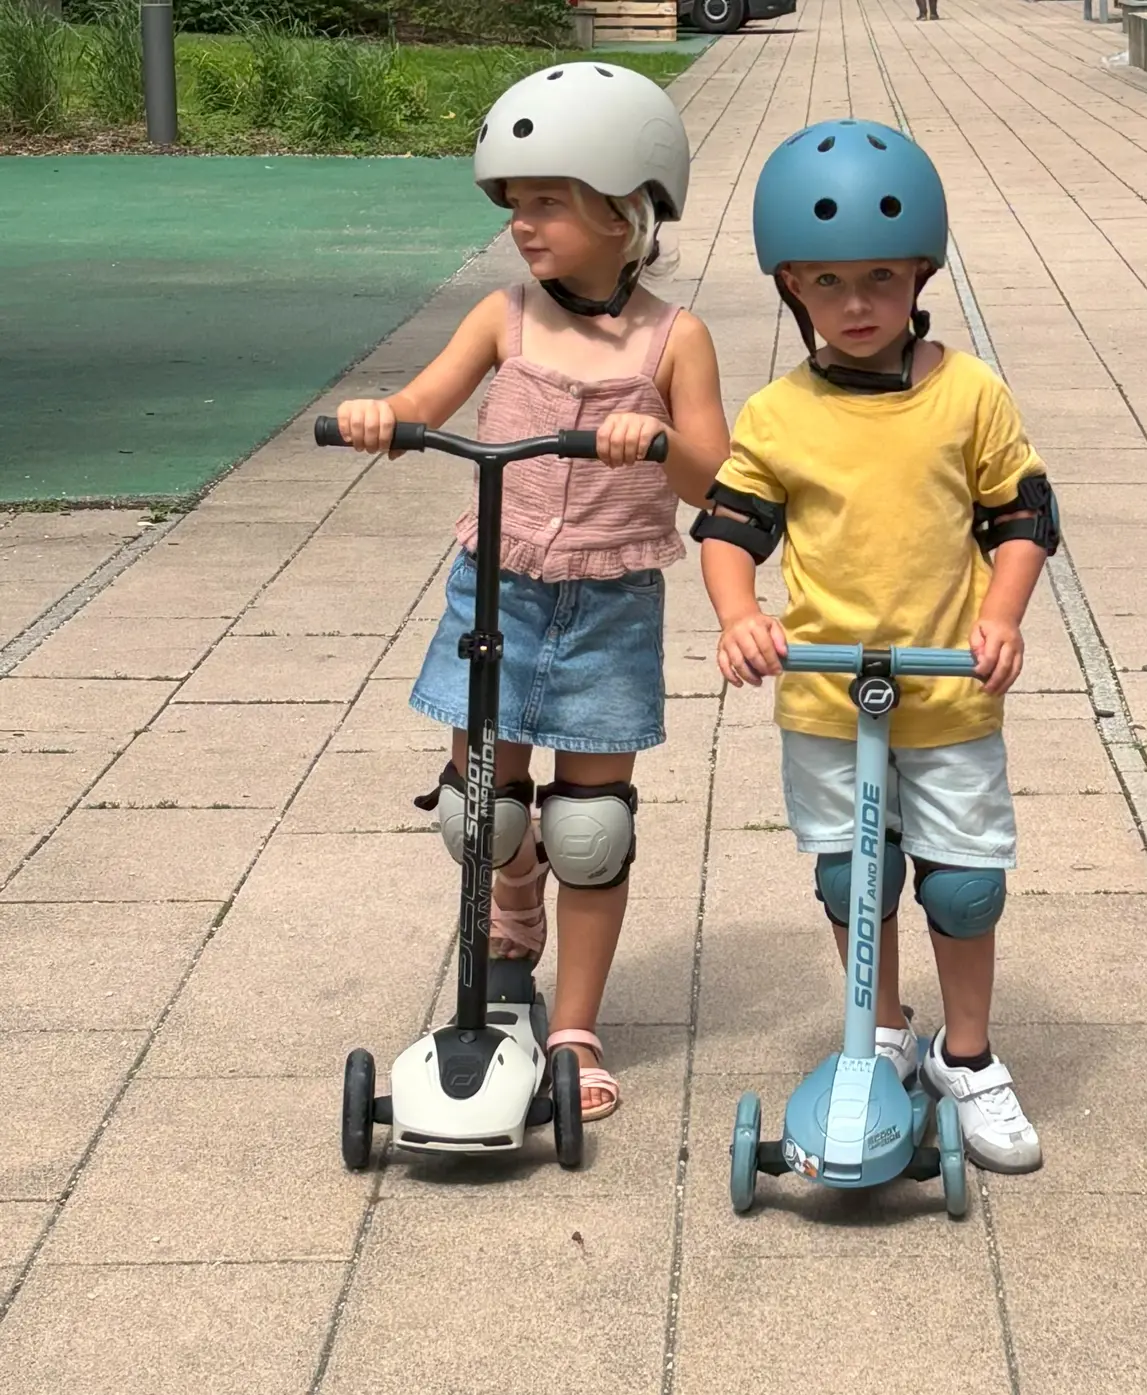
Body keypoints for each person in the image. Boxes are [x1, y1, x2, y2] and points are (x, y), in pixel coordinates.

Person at [330, 64, 730, 1122]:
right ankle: (507, 962)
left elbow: (719, 482)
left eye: (548, 200)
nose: (525, 225)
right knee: (485, 814)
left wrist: (661, 445)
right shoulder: (500, 318)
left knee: (591, 828)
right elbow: (426, 397)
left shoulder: (674, 338)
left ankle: (574, 1024)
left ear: (628, 206)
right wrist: (385, 415)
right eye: (515, 203)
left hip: (610, 608)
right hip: (493, 592)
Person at [693, 118, 1059, 1173]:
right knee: (855, 879)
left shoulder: (969, 394)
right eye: (829, 284)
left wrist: (1002, 616)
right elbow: (728, 528)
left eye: (882, 281)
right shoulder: (777, 415)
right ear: (791, 289)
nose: (858, 307)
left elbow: (1022, 516)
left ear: (920, 277)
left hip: (946, 698)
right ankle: (886, 1030)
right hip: (826, 699)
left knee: (962, 886)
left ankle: (970, 1055)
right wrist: (738, 616)